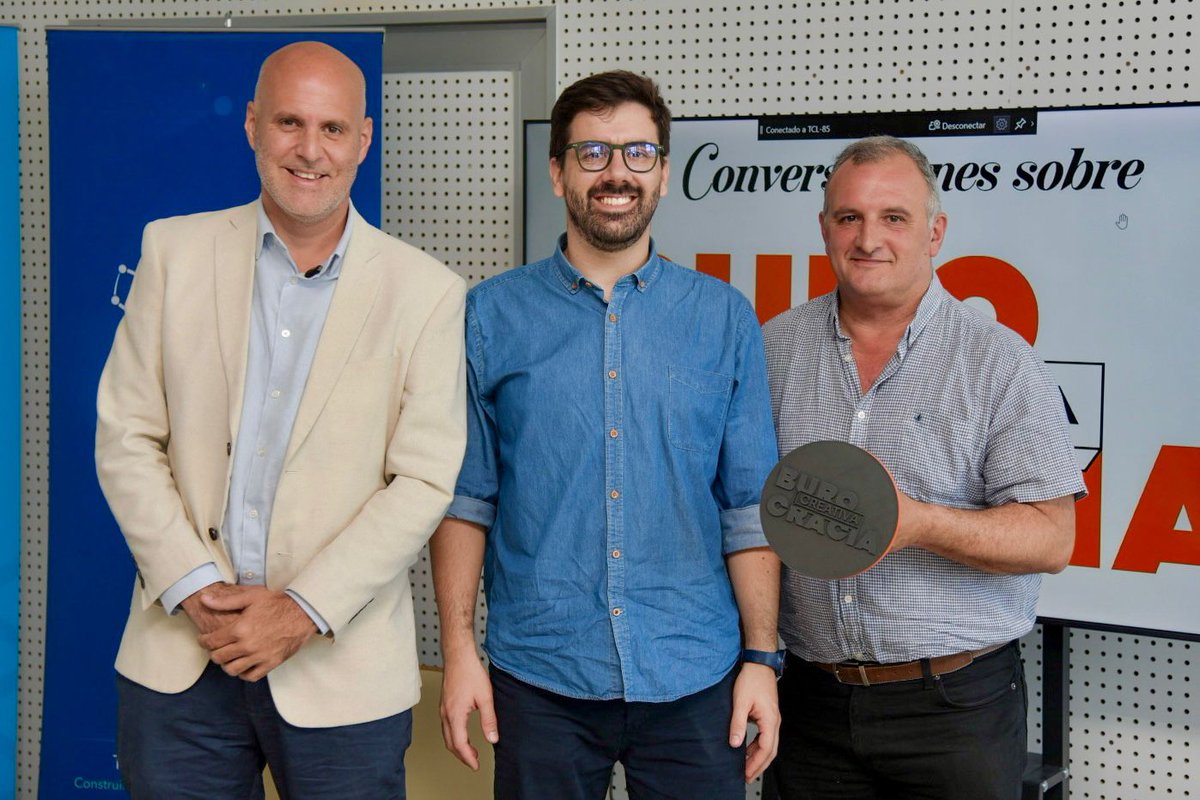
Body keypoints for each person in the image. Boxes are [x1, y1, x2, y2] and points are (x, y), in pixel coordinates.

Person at [94, 41, 466, 799]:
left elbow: (423, 480)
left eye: (332, 129)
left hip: (342, 671)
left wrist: (302, 610)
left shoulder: (426, 291)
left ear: (364, 139)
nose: (309, 150)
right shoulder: (173, 251)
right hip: (180, 662)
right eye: (290, 123)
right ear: (254, 127)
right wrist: (193, 586)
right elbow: (126, 433)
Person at [429, 70, 782, 800]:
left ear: (663, 171)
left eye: (637, 153)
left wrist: (761, 659)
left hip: (695, 672)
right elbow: (466, 501)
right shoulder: (488, 317)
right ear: (557, 172)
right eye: (592, 154)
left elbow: (747, 506)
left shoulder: (723, 319)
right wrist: (459, 651)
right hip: (542, 675)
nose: (616, 173)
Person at [762, 135, 1087, 800]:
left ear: (935, 232)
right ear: (825, 228)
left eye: (894, 218)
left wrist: (916, 524)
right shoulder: (773, 349)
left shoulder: (998, 360)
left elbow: (1052, 539)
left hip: (954, 711)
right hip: (809, 705)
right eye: (848, 217)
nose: (868, 238)